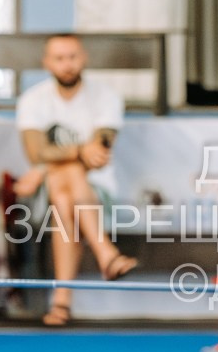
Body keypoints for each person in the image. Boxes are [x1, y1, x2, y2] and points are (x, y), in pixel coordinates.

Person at [15, 33, 135, 326]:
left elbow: (99, 152)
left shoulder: (105, 97)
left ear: (83, 58)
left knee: (64, 192)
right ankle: (106, 253)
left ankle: (61, 302)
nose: (67, 64)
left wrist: (48, 165)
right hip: (46, 195)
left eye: (72, 57)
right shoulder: (32, 100)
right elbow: (35, 153)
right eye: (59, 58)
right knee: (65, 182)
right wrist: (79, 151)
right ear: (47, 62)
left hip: (98, 191)